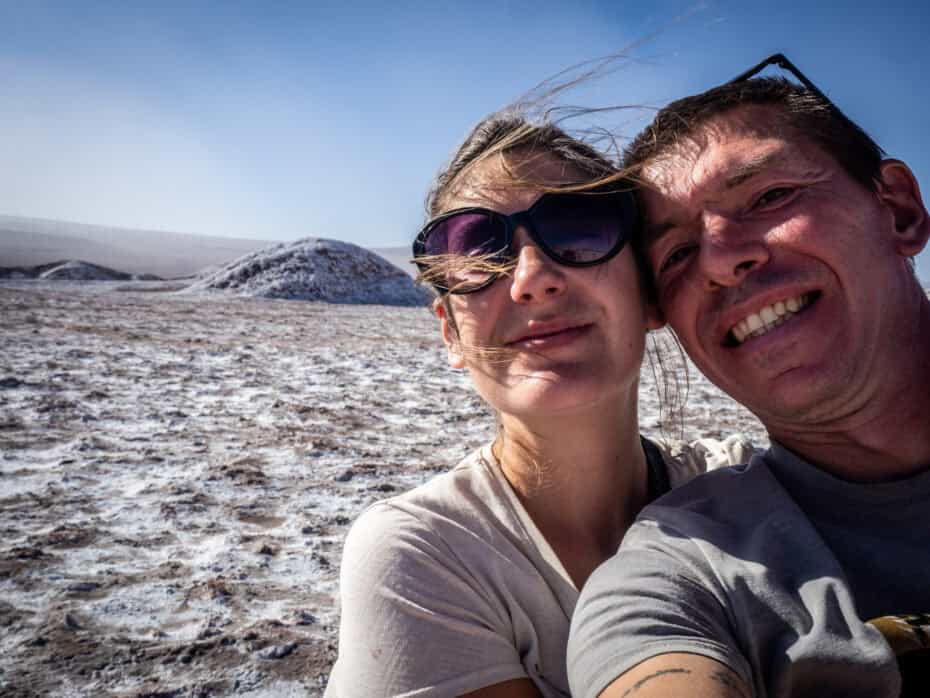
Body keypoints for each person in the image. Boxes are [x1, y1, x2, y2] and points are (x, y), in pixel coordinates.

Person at [324, 113, 753, 697]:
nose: (532, 278)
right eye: (476, 252)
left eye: (578, 230)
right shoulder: (427, 552)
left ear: (650, 296)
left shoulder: (741, 488)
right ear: (450, 331)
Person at [567, 55, 930, 698]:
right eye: (676, 254)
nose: (723, 259)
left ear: (898, 210)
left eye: (769, 197)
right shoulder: (688, 571)